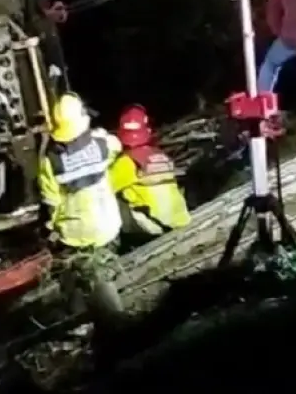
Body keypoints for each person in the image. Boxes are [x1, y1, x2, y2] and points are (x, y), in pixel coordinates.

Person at [37, 93, 124, 367]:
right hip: (108, 224)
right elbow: (116, 145)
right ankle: (92, 320)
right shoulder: (101, 145)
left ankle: (108, 328)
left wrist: (49, 229)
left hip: (77, 233)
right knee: (94, 270)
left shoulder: (51, 162)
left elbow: (51, 204)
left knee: (77, 273)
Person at [108, 104, 190, 249]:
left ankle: (121, 244)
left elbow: (104, 188)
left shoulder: (126, 163)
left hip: (155, 227)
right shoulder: (160, 155)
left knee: (108, 199)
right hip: (179, 219)